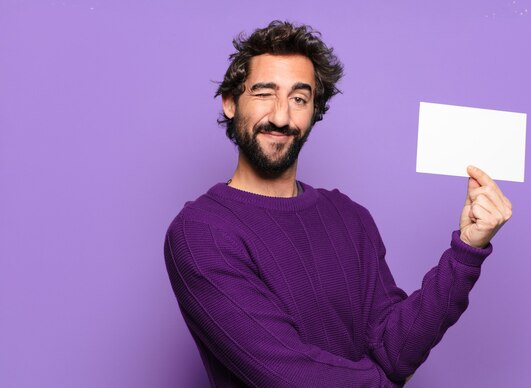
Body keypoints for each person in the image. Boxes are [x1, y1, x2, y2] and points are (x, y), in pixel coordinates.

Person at [163, 20, 512, 387]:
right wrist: (385, 382)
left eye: (299, 99)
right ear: (231, 102)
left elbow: (395, 350)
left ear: (315, 110)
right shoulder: (200, 232)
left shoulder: (349, 217)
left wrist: (467, 249)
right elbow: (288, 374)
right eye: (264, 93)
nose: (281, 117)